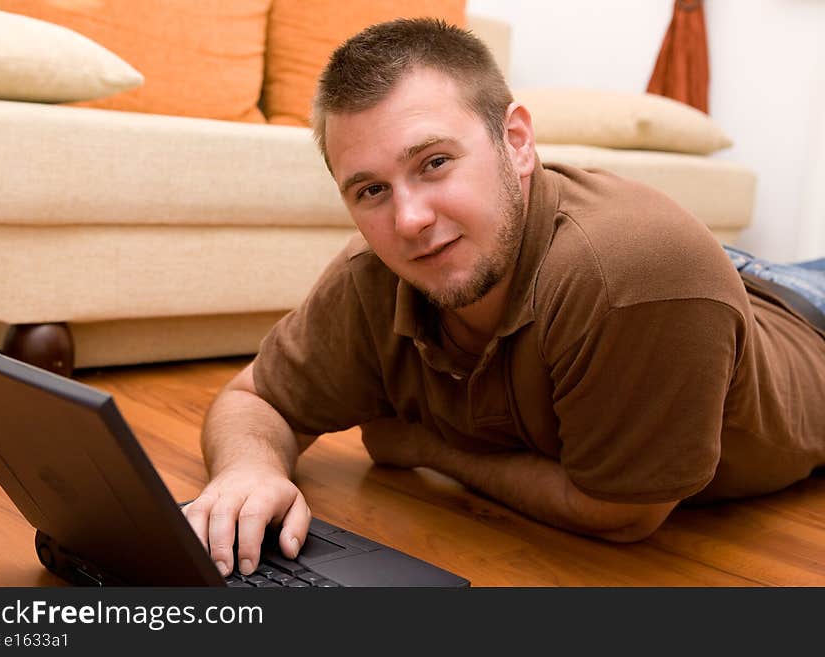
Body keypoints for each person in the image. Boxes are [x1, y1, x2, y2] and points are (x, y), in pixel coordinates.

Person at [182, 18, 825, 578]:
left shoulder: (637, 277)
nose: (407, 220)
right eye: (370, 190)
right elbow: (256, 398)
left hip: (805, 318)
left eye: (434, 162)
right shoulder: (371, 276)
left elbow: (624, 512)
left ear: (516, 143)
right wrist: (247, 470)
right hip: (739, 285)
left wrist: (428, 447)